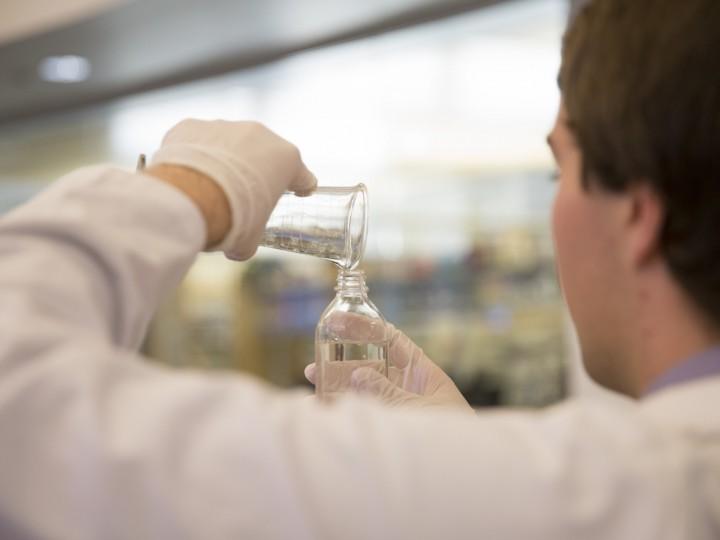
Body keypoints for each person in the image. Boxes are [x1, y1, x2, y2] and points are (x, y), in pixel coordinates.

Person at [0, 0, 718, 537]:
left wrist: (190, 187)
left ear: (636, 216)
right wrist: (465, 451)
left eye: (560, 172)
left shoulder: (621, 488)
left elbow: (18, 407)